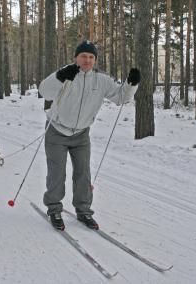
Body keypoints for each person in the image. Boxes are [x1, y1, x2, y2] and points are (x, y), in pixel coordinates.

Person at [38, 40, 141, 231]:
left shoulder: (101, 80)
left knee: (83, 173)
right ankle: (54, 208)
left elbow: (121, 97)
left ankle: (83, 210)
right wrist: (59, 77)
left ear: (95, 60)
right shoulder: (66, 73)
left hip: (81, 134)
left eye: (91, 57)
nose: (87, 60)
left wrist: (131, 84)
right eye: (83, 56)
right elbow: (44, 91)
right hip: (56, 131)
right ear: (76, 57)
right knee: (57, 173)